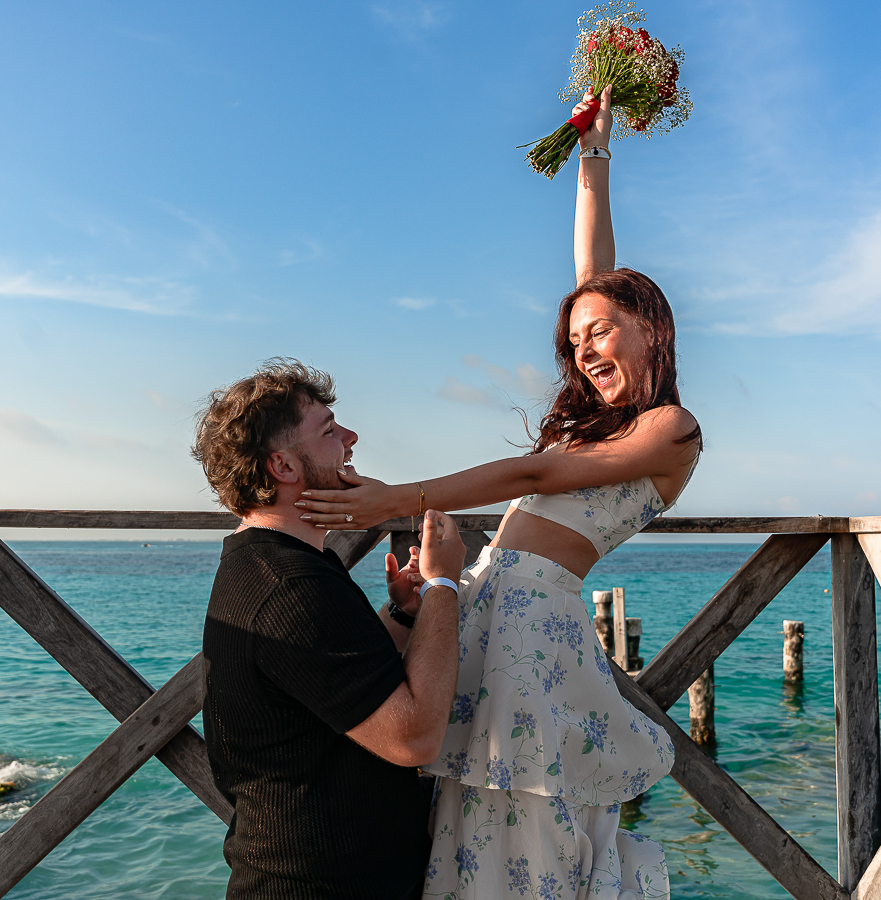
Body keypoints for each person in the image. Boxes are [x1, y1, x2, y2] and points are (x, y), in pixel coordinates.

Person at [294, 87, 700, 899]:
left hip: (535, 637)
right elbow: (594, 274)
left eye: (602, 333)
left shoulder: (670, 430)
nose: (585, 351)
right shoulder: (597, 418)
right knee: (463, 833)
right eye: (575, 340)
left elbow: (536, 476)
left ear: (649, 328)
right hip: (484, 609)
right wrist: (595, 150)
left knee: (528, 840)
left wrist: (395, 499)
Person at [194, 359, 467, 900]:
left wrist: (407, 614)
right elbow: (413, 737)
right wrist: (444, 587)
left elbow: (342, 687)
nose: (350, 438)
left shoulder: (276, 565)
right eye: (328, 431)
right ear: (284, 467)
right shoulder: (289, 586)